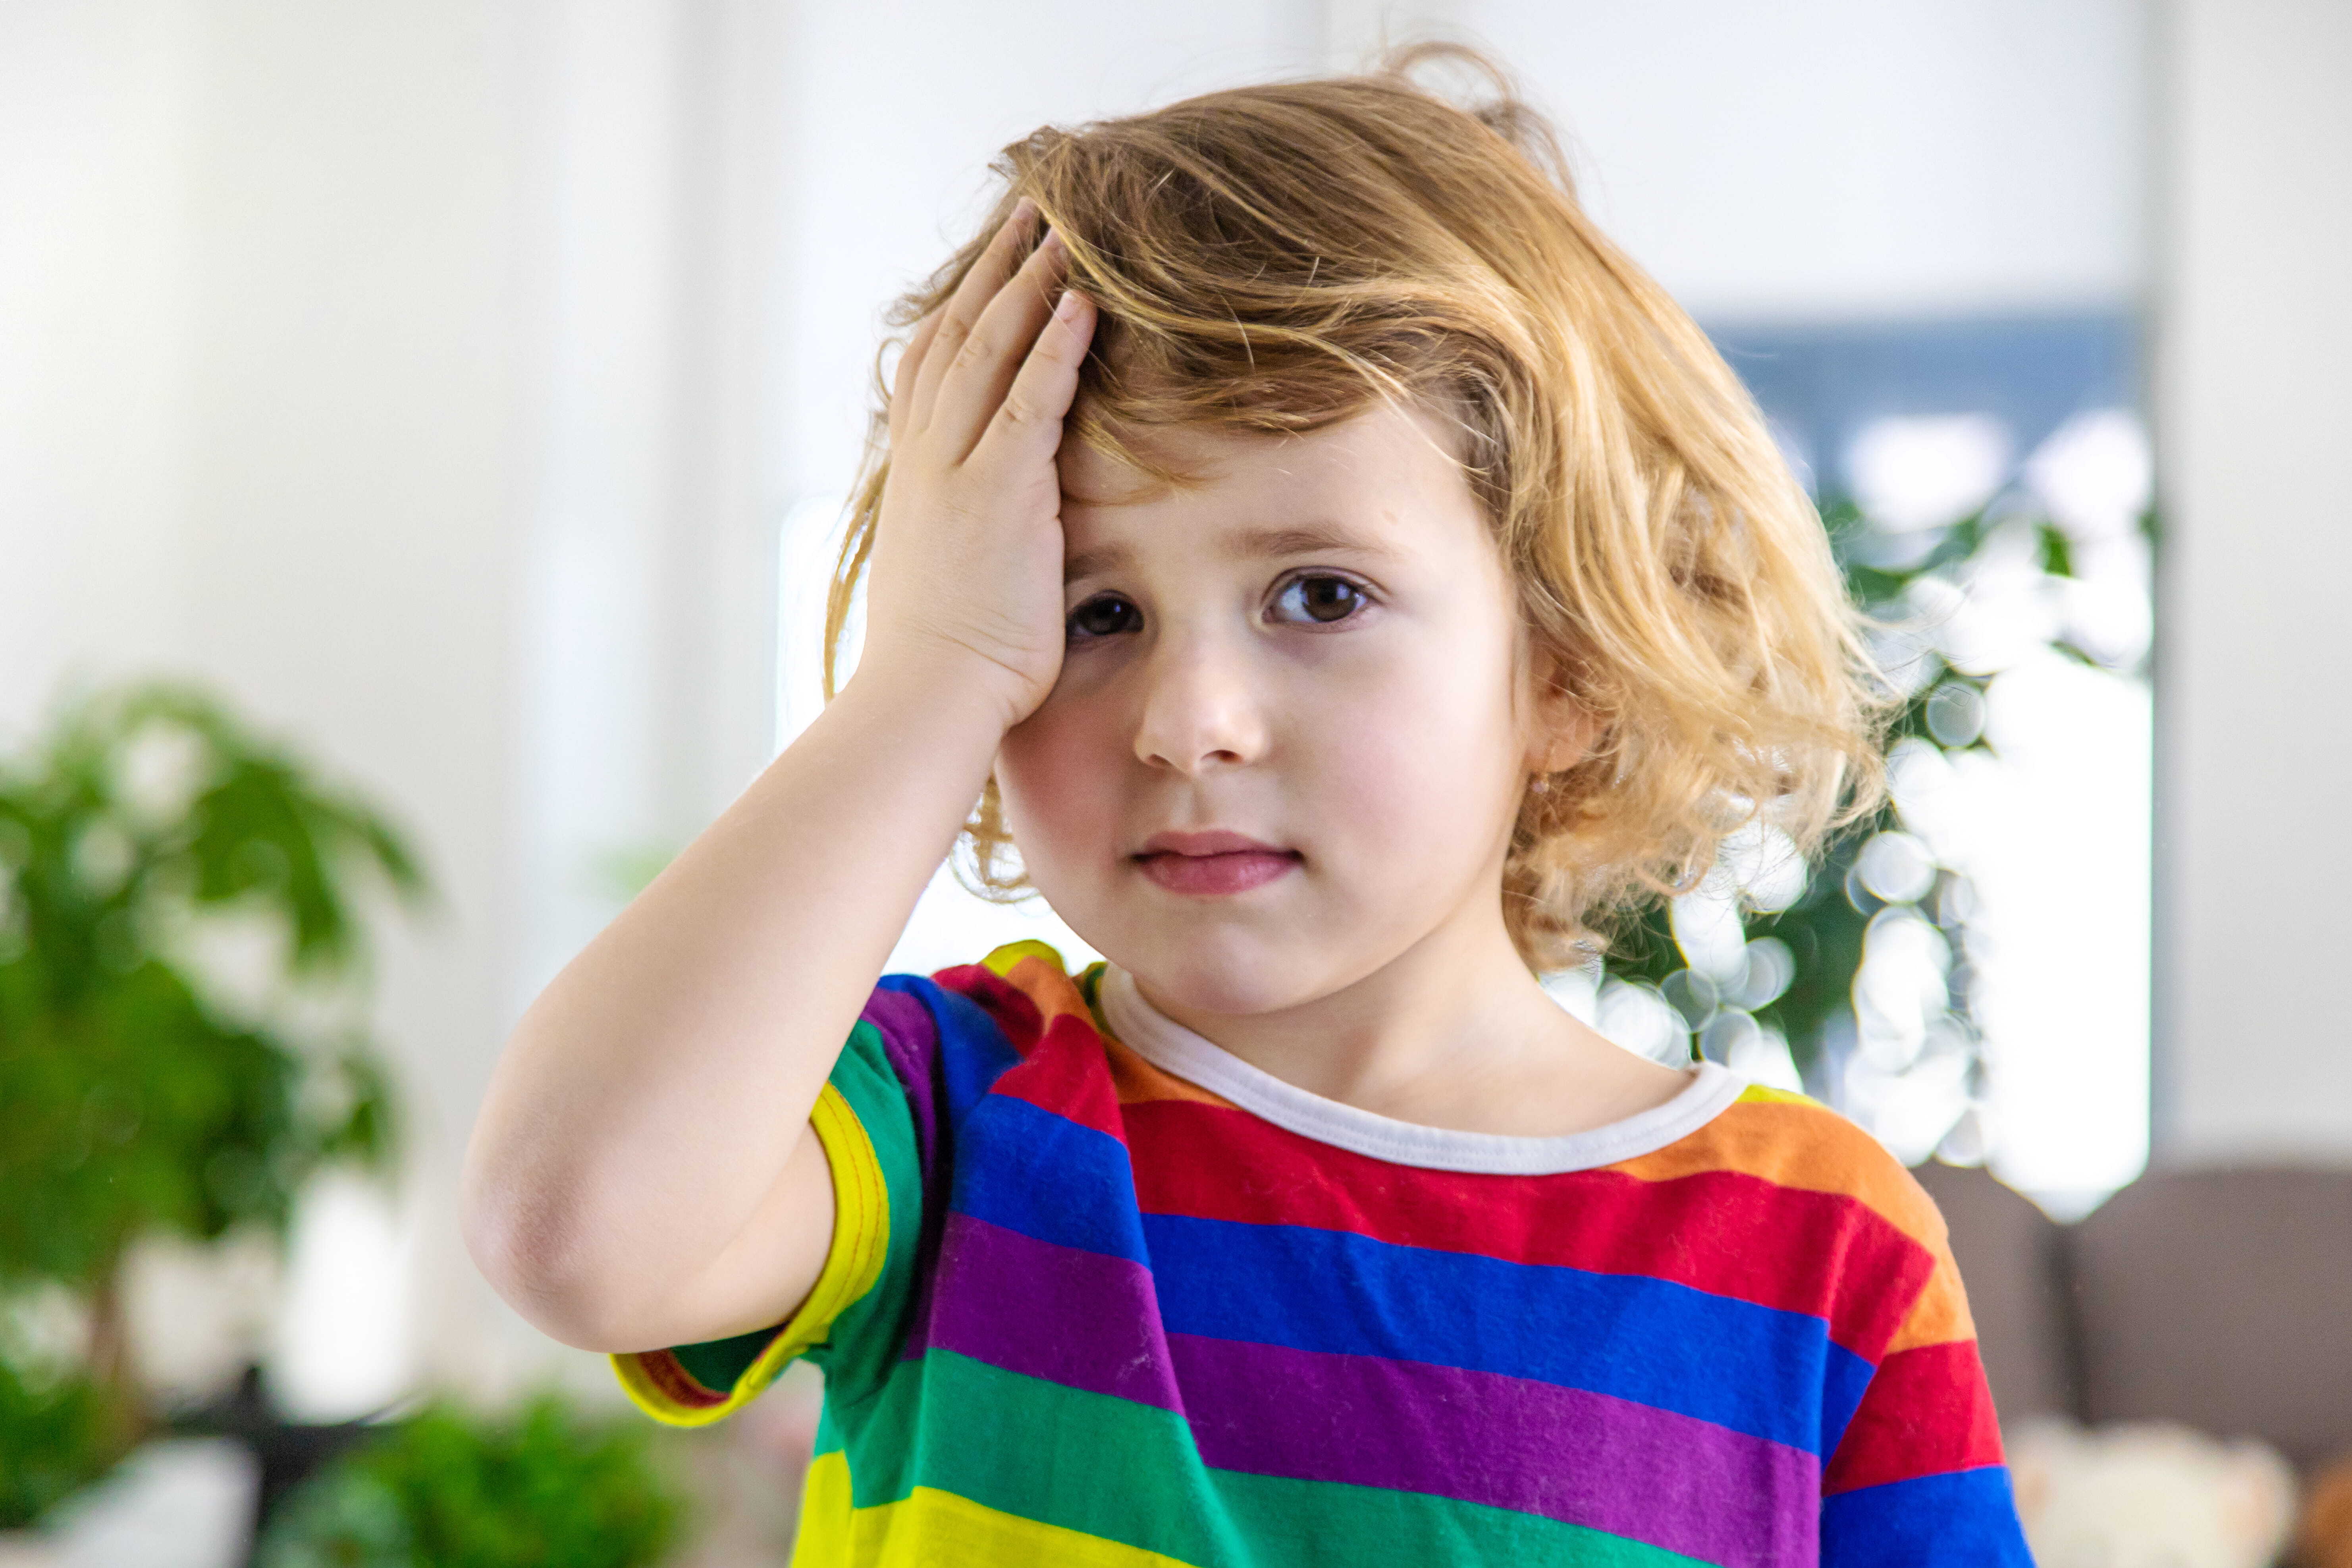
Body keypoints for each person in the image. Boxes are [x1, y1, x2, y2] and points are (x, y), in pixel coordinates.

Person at [463, 42, 2032, 1566]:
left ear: (1561, 669)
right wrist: (930, 665)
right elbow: (574, 1227)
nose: (1187, 721)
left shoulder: (1821, 1260)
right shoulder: (951, 1117)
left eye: (1318, 593)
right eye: (1088, 614)